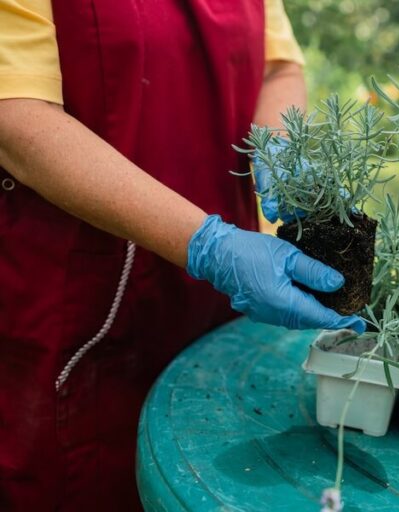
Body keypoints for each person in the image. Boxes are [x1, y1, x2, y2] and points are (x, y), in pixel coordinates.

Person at [0, 1, 364, 509]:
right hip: (86, 312)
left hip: (219, 307)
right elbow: (16, 115)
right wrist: (209, 246)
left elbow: (278, 67)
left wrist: (280, 148)